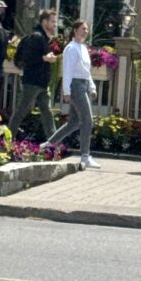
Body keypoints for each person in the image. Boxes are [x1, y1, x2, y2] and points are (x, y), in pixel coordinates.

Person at [45, 19, 101, 170]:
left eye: (87, 29)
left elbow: (86, 71)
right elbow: (67, 71)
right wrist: (67, 91)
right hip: (75, 86)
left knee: (74, 122)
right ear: (75, 31)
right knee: (87, 121)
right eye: (83, 28)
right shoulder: (71, 48)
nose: (85, 31)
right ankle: (85, 156)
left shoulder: (83, 48)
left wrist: (92, 86)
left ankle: (48, 144)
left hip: (83, 84)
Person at [8, 9, 59, 138]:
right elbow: (28, 59)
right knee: (21, 111)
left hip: (41, 83)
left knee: (47, 113)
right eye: (52, 21)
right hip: (32, 82)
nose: (55, 24)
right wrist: (45, 58)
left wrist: (47, 57)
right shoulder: (37, 37)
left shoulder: (43, 38)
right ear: (44, 22)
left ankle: (53, 143)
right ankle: (8, 139)